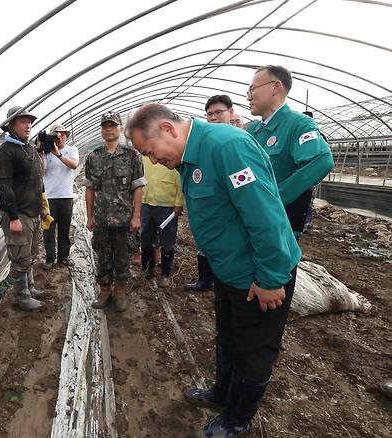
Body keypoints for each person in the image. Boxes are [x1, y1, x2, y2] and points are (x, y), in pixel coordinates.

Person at [127, 104, 301, 437]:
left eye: (150, 152)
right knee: (229, 337)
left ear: (168, 128)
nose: (152, 161)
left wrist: (270, 278)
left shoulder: (226, 146)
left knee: (253, 349)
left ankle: (237, 420)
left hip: (256, 278)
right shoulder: (191, 157)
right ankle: (222, 393)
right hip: (229, 272)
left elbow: (265, 216)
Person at [246, 65, 334, 237]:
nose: (249, 97)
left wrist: (275, 198)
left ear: (275, 87)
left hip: (278, 226)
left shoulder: (298, 124)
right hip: (249, 220)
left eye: (252, 89)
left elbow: (321, 161)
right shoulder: (253, 130)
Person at [85, 111, 146, 312]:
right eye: (105, 126)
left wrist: (136, 216)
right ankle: (104, 290)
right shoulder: (94, 157)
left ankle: (119, 291)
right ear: (102, 130)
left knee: (123, 256)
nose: (109, 129)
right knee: (102, 255)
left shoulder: (132, 156)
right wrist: (89, 215)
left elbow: (138, 187)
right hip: (102, 218)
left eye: (113, 125)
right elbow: (90, 189)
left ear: (121, 128)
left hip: (124, 219)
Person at [0, 106, 51, 310]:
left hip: (33, 213)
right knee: (20, 257)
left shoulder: (29, 149)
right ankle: (21, 296)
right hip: (18, 215)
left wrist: (43, 207)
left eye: (30, 121)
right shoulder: (5, 153)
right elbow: (5, 188)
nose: (28, 125)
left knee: (31, 254)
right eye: (23, 121)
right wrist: (14, 218)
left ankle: (31, 288)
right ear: (10, 126)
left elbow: (37, 180)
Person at [185, 94, 237, 292]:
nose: (213, 117)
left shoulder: (235, 142)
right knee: (205, 246)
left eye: (218, 112)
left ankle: (220, 280)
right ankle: (205, 280)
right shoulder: (204, 144)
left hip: (230, 212)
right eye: (209, 114)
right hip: (210, 210)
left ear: (230, 113)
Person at [139, 157, 184, 287]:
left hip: (167, 204)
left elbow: (180, 179)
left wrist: (179, 202)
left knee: (167, 241)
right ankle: (148, 268)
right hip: (146, 202)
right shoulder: (144, 155)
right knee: (146, 238)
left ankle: (165, 274)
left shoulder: (170, 153)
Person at [42, 124, 79, 269]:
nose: (60, 136)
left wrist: (58, 154)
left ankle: (64, 256)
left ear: (66, 136)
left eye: (62, 134)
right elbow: (42, 170)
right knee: (48, 230)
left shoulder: (71, 150)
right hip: (49, 197)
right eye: (56, 134)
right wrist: (42, 151)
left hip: (66, 196)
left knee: (64, 229)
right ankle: (50, 257)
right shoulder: (46, 152)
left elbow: (74, 165)